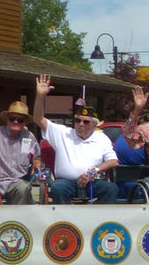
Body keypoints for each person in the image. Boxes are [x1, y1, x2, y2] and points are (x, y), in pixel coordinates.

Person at [33, 74, 119, 204]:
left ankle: (101, 221)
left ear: (94, 125)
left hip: (93, 181)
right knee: (58, 188)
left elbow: (113, 161)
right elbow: (38, 119)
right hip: (66, 182)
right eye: (77, 120)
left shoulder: (101, 138)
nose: (81, 124)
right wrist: (40, 96)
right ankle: (65, 223)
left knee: (111, 189)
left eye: (86, 122)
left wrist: (94, 171)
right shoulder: (63, 133)